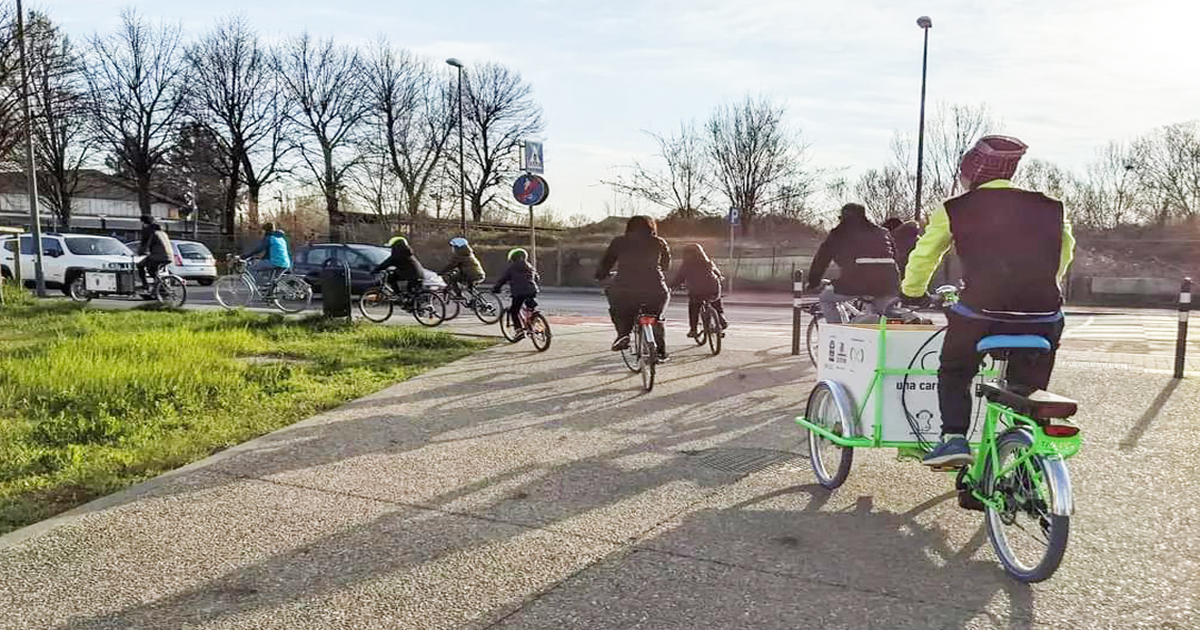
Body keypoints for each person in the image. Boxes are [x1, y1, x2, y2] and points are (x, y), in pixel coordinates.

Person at [900, 135, 1075, 467]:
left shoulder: (956, 207)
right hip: (1043, 314)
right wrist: (1043, 286)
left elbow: (925, 255)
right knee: (1029, 383)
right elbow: (1064, 254)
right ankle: (1024, 439)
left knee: (954, 370)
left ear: (971, 171)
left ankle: (953, 438)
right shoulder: (1052, 206)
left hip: (981, 314)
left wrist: (911, 292)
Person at [806, 203, 901, 323]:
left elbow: (822, 258)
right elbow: (896, 257)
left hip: (858, 280)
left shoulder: (839, 233)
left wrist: (813, 282)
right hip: (889, 280)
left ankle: (837, 332)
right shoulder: (883, 232)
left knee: (826, 298)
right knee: (880, 314)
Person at [594, 215, 672, 361]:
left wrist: (601, 275)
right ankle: (661, 351)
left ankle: (623, 334)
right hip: (655, 288)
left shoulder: (619, 242)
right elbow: (667, 265)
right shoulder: (659, 242)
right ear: (651, 227)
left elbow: (607, 261)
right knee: (656, 318)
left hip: (625, 287)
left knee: (618, 305)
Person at [669, 243, 728, 338]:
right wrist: (720, 277)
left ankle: (693, 329)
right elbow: (717, 274)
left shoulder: (686, 265)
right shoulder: (708, 262)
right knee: (716, 303)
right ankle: (722, 319)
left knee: (694, 308)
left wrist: (670, 287)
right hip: (713, 288)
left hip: (697, 292)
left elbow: (679, 279)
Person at [492, 248, 540, 339]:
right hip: (532, 290)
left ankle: (519, 331)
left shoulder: (511, 267)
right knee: (530, 307)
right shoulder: (529, 266)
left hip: (518, 292)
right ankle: (534, 321)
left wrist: (496, 289)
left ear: (512, 258)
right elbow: (537, 277)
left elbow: (503, 279)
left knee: (514, 311)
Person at [243, 222, 292, 291]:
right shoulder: (281, 239)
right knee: (274, 281)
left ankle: (261, 285)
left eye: (263, 230)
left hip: (275, 262)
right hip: (286, 263)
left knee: (251, 268)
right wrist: (261, 258)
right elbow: (273, 252)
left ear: (266, 230)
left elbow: (259, 249)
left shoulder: (269, 238)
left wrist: (245, 256)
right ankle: (270, 296)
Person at [136, 215, 172, 291]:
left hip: (158, 256)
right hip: (169, 256)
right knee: (153, 270)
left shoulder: (151, 232)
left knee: (140, 265)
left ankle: (146, 285)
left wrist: (141, 252)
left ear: (144, 223)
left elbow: (146, 244)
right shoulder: (162, 232)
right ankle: (159, 287)